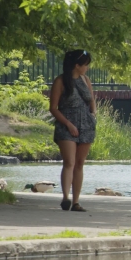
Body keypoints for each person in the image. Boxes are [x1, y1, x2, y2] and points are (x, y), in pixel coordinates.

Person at [50, 49, 96, 212]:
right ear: (77, 65)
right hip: (67, 125)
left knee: (79, 163)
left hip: (86, 126)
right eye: (86, 65)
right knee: (69, 162)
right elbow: (53, 108)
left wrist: (93, 115)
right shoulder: (61, 81)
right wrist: (69, 125)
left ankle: (76, 202)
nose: (88, 68)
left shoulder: (85, 79)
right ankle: (66, 198)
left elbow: (91, 100)